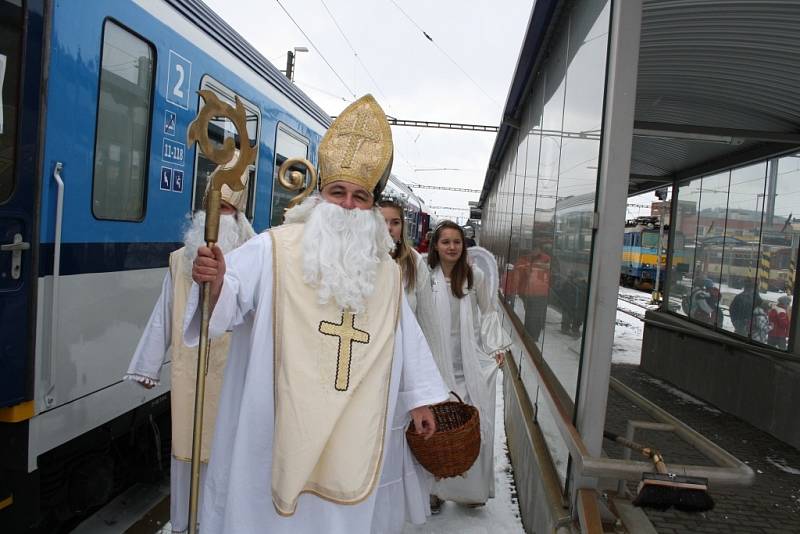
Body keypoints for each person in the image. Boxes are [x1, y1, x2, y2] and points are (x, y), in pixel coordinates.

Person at [187, 95, 448, 533]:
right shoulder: (274, 247)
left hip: (352, 420)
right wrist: (214, 280)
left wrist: (419, 397)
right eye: (338, 192)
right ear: (320, 195)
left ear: (371, 207)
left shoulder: (383, 272)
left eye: (360, 197)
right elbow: (232, 298)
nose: (348, 205)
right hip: (274, 420)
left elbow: (405, 337)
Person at [124, 173, 255, 534]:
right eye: (208, 207)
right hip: (192, 376)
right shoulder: (182, 260)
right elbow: (164, 312)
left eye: (224, 208)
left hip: (234, 378)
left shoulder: (255, 256)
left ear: (239, 216)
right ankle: (185, 525)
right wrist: (147, 365)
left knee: (229, 458)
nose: (212, 216)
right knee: (188, 452)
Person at [426, 220, 511, 512]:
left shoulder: (474, 277)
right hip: (436, 365)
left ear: (464, 246)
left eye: (457, 242)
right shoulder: (427, 278)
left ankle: (469, 489)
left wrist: (494, 347)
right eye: (445, 242)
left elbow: (488, 314)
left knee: (471, 425)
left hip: (470, 364)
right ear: (436, 246)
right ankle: (434, 489)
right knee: (435, 428)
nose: (451, 247)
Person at [376, 199, 445, 527]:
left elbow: (428, 323)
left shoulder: (414, 264)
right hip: (369, 370)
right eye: (383, 222)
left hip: (403, 371)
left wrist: (429, 383)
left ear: (403, 227)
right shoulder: (363, 259)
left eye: (394, 223)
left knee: (398, 446)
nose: (389, 229)